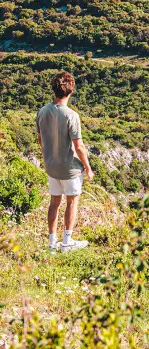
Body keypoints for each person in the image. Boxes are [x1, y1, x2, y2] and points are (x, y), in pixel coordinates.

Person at [36, 71, 94, 252]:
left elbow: (40, 140)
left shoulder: (42, 111)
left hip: (51, 166)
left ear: (53, 90)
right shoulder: (71, 115)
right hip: (69, 168)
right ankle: (67, 241)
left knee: (54, 202)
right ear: (71, 91)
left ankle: (52, 243)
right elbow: (79, 147)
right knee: (72, 202)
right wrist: (88, 167)